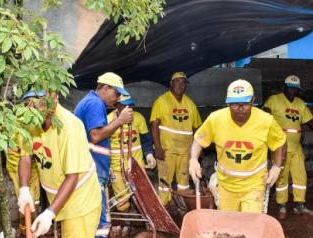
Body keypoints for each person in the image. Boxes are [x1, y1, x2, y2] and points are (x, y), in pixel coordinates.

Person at [17, 90, 104, 238]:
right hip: (62, 199)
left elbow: (72, 177)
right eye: (28, 105)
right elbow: (25, 157)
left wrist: (49, 212)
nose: (32, 109)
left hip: (80, 198)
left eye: (37, 103)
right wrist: (24, 188)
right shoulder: (29, 120)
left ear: (53, 99)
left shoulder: (70, 126)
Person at [74, 72, 134, 238]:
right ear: (105, 88)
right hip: (90, 177)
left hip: (90, 174)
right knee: (101, 226)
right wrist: (119, 120)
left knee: (95, 226)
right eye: (116, 93)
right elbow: (96, 136)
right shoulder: (94, 104)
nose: (117, 99)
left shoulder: (90, 103)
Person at [189, 79, 286, 213]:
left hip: (254, 185)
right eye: (235, 104)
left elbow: (280, 142)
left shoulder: (266, 121)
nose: (240, 109)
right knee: (228, 227)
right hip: (226, 186)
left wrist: (276, 166)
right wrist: (193, 159)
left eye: (245, 104)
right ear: (227, 103)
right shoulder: (215, 119)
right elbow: (199, 140)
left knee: (249, 223)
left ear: (253, 101)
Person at [263, 75, 313, 220]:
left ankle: (300, 205)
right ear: (285, 87)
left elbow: (311, 122)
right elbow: (264, 116)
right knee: (281, 177)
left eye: (296, 90)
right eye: (290, 89)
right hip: (279, 147)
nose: (293, 92)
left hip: (296, 147)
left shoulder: (300, 104)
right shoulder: (274, 100)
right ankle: (282, 206)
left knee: (301, 176)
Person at [150, 72, 202, 206]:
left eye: (183, 82)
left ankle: (182, 208)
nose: (181, 85)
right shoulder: (161, 101)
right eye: (177, 82)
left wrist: (198, 149)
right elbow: (154, 125)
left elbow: (198, 128)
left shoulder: (190, 104)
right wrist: (158, 148)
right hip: (167, 150)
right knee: (165, 182)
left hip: (186, 151)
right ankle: (164, 208)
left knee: (184, 183)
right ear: (171, 84)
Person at [107, 94, 156, 211]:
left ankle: (144, 219)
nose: (128, 108)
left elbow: (146, 140)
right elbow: (104, 145)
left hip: (136, 165)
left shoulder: (138, 118)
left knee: (142, 194)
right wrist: (106, 165)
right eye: (124, 105)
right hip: (116, 166)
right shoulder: (108, 120)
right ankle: (126, 221)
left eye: (130, 105)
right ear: (117, 105)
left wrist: (149, 154)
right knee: (122, 198)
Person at [6, 141, 40, 238]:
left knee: (36, 201)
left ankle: (34, 232)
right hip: (18, 161)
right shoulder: (17, 127)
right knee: (27, 203)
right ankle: (24, 235)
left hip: (33, 159)